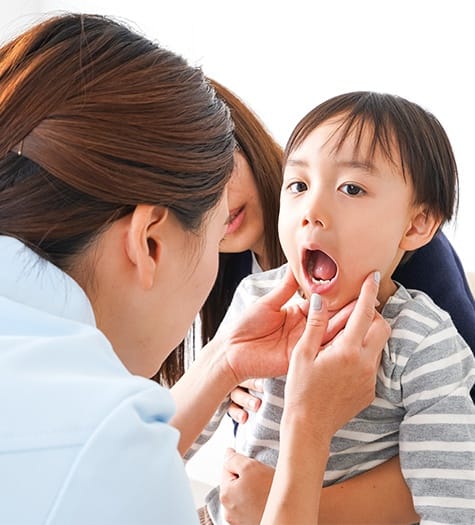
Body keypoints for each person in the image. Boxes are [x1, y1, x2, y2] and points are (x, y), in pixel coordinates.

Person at [0, 13, 392, 525]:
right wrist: (306, 428)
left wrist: (225, 361)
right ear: (150, 242)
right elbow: (114, 458)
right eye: (214, 237)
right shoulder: (103, 444)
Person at [198, 91, 475, 525]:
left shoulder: (423, 340)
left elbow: (452, 504)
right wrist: (219, 376)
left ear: (417, 224)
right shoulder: (254, 297)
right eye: (299, 186)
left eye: (351, 188)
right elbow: (175, 437)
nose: (312, 210)